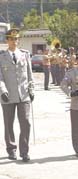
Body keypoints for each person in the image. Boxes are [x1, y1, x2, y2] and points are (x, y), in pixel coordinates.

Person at [0, 28, 34, 162]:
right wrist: (2, 90)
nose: (15, 41)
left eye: (17, 39)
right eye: (12, 39)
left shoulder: (25, 55)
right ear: (7, 40)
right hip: (7, 95)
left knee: (26, 123)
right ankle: (11, 149)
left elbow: (30, 76)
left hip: (23, 95)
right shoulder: (1, 57)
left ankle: (24, 151)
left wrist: (31, 90)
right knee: (9, 124)